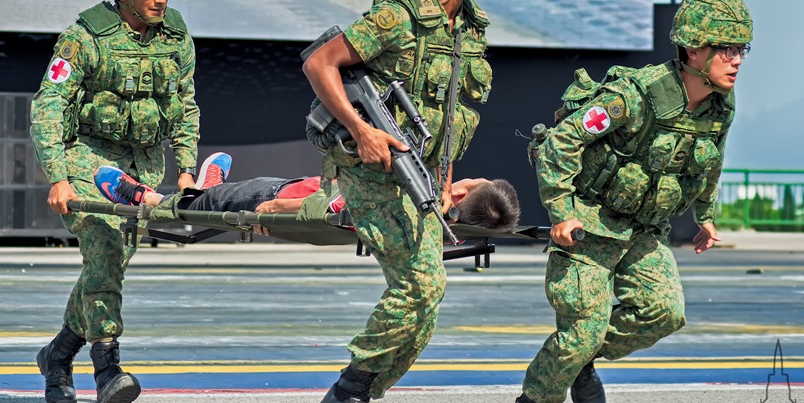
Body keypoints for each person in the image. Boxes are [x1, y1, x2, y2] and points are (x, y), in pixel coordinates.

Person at [507, 0, 753, 403]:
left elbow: (711, 161)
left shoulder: (721, 106)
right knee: (583, 327)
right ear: (694, 48)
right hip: (589, 224)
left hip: (642, 230)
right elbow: (562, 142)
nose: (736, 61)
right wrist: (560, 212)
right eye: (727, 49)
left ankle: (580, 361)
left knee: (664, 311)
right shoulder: (634, 96)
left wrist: (706, 215)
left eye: (742, 50)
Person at [299, 0, 496, 403]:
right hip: (370, 175)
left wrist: (447, 182)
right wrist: (363, 130)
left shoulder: (471, 27)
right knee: (421, 285)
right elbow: (321, 63)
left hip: (423, 180)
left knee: (426, 304)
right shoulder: (398, 18)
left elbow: (452, 112)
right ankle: (347, 395)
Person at [30, 0, 202, 403]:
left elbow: (185, 105)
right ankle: (108, 370)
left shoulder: (176, 38)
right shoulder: (84, 38)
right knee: (105, 248)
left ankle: (57, 357)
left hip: (144, 165)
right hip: (88, 157)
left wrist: (187, 169)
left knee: (106, 266)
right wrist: (59, 176)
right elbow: (50, 105)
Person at [94, 158, 522, 233]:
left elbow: (337, 208)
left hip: (276, 194)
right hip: (293, 187)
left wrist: (278, 209)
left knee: (205, 205)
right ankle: (204, 187)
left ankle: (144, 197)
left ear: (465, 190)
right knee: (219, 195)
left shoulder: (417, 192)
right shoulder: (434, 224)